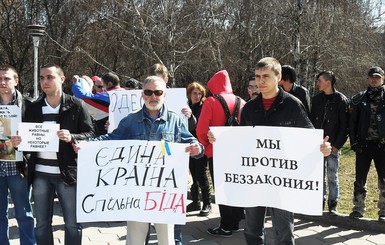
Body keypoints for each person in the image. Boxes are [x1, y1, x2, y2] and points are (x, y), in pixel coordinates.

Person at [84, 75, 204, 245]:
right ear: (142, 94)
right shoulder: (131, 120)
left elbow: (194, 143)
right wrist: (85, 145)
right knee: (135, 238)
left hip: (165, 191)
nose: (153, 96)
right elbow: (111, 140)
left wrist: (197, 148)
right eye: (148, 92)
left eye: (157, 92)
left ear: (164, 95)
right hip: (137, 190)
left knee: (167, 238)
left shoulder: (175, 121)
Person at [237, 57, 331, 244]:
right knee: (252, 230)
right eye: (257, 77)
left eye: (266, 76)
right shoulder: (249, 109)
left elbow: (309, 138)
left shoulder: (292, 105)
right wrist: (220, 140)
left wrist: (322, 148)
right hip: (255, 178)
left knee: (284, 232)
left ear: (278, 77)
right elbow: (240, 141)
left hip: (283, 180)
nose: (260, 81)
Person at [11, 64, 96, 245]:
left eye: (49, 77)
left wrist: (72, 137)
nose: (45, 82)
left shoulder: (76, 105)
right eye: (42, 78)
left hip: (67, 174)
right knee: (41, 224)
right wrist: (19, 143)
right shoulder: (33, 107)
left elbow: (91, 134)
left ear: (62, 79)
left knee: (72, 224)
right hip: (40, 174)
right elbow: (26, 140)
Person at [196, 70, 246, 237]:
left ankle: (225, 226)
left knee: (222, 189)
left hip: (218, 153)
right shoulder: (242, 101)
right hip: (239, 153)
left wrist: (206, 147)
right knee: (236, 186)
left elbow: (201, 129)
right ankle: (236, 222)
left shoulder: (211, 101)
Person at [0, 65, 35, 245]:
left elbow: (39, 134)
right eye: (0, 79)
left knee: (24, 213)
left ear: (16, 81)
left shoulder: (29, 105)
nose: (2, 82)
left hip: (19, 167)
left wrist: (25, 139)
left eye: (6, 78)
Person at [349, 66, 385, 222]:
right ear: (368, 79)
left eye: (377, 77)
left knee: (384, 180)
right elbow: (352, 123)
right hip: (363, 146)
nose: (374, 79)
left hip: (382, 146)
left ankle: (383, 211)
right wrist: (354, 142)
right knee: (360, 179)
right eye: (371, 77)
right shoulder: (360, 98)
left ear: (383, 79)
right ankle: (358, 209)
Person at [310, 71, 349, 215]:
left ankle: (333, 205)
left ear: (328, 82)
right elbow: (311, 122)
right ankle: (319, 204)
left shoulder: (341, 100)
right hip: (318, 147)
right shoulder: (316, 100)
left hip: (333, 146)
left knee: (332, 176)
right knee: (319, 176)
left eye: (320, 80)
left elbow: (344, 126)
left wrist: (336, 146)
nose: (318, 83)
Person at [185, 82, 212, 216]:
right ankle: (195, 201)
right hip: (188, 144)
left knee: (201, 174)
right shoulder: (185, 106)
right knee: (192, 174)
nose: (197, 96)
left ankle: (207, 203)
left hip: (201, 145)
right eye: (194, 93)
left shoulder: (204, 107)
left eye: (200, 93)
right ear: (189, 94)